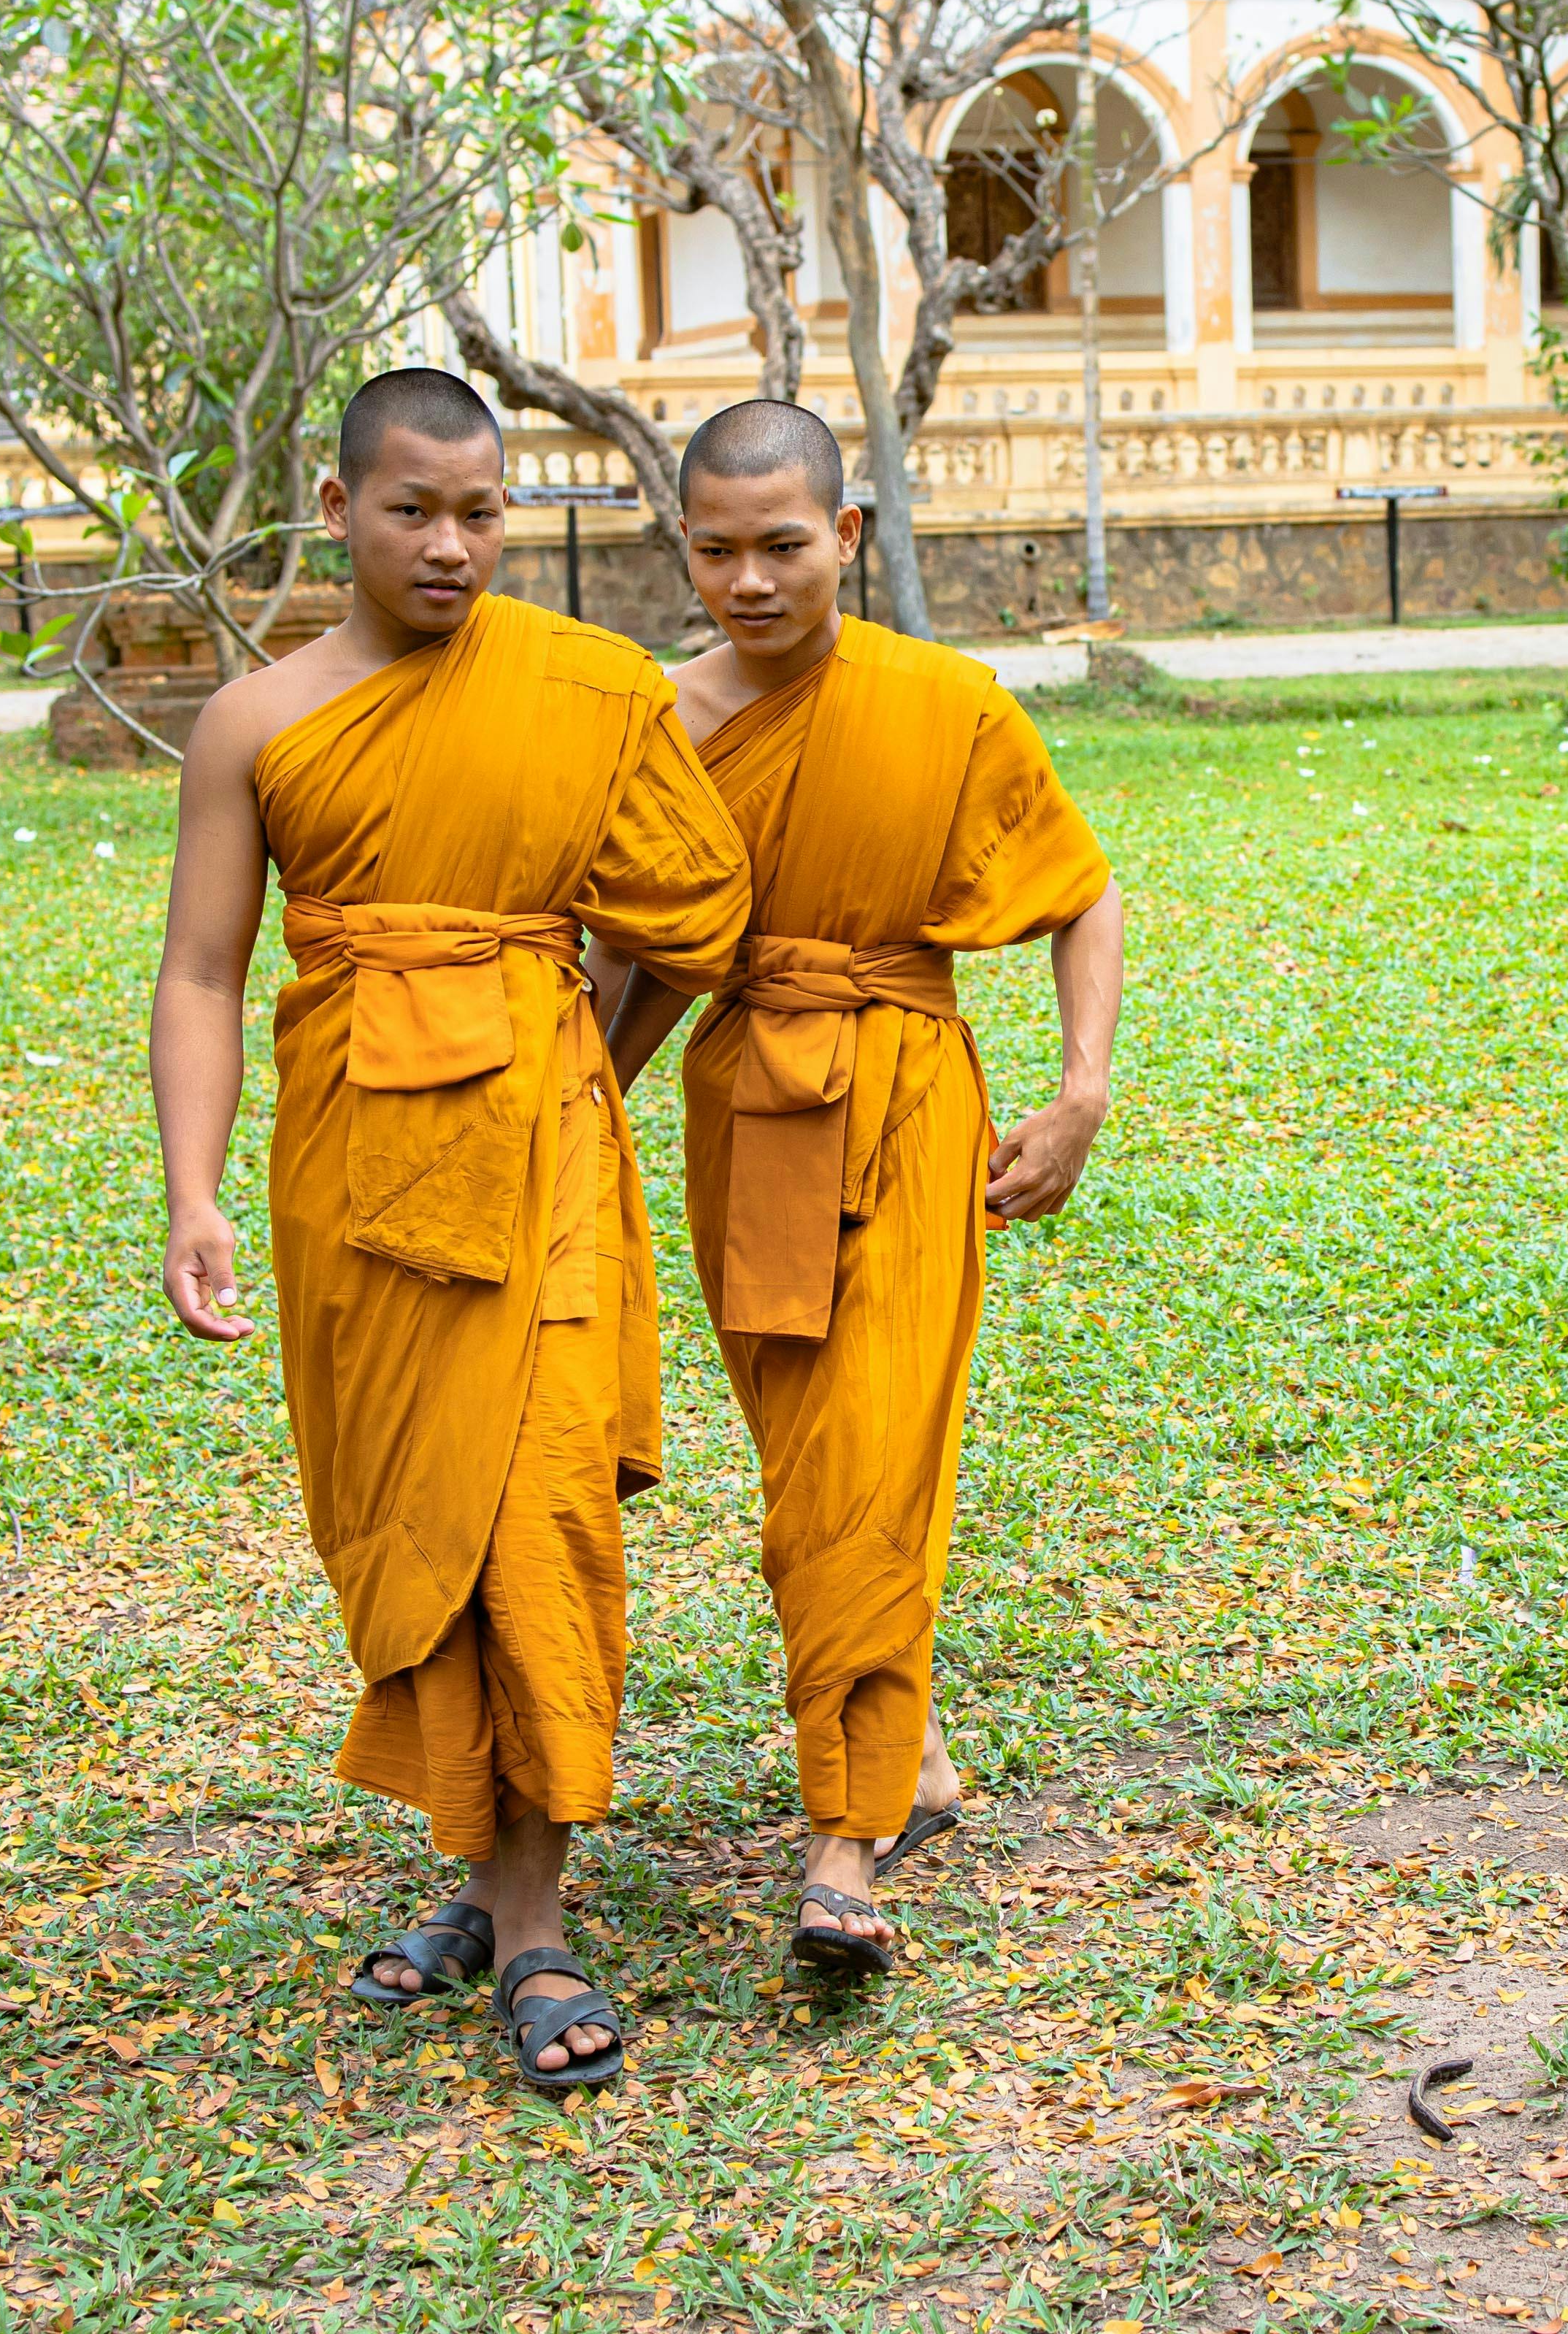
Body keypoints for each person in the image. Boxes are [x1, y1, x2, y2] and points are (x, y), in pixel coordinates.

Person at [150, 367, 749, 2088]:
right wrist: (189, 1191)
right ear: (335, 510)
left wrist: (593, 1074)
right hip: (355, 1169)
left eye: (483, 512)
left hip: (543, 1154)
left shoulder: (583, 691)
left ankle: (540, 1924)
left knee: (535, 1504)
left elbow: (692, 916)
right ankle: (483, 1883)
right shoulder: (259, 723)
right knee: (412, 1510)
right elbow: (201, 971)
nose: (452, 545)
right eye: (414, 509)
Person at [597, 399, 1123, 1981]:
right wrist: (569, 1116)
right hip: (750, 1108)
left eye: (781, 546)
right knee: (807, 1470)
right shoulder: (655, 724)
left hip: (905, 1093)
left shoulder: (943, 707)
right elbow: (639, 957)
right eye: (715, 550)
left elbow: (1080, 895)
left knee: (871, 1460)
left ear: (848, 537)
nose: (749, 583)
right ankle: (916, 1748)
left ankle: (845, 1836)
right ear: (680, 546)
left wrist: (1080, 1086)